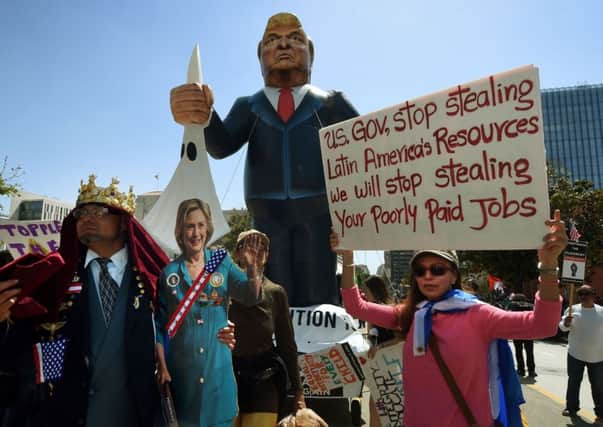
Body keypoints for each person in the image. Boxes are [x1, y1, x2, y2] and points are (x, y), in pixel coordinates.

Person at [0, 177, 235, 427]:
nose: (87, 218)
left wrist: (220, 331)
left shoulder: (157, 281)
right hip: (64, 415)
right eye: (81, 213)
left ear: (124, 222)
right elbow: (16, 349)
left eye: (99, 211)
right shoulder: (54, 282)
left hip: (139, 416)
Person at [169, 12, 359, 307]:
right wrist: (202, 117)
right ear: (260, 55)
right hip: (266, 215)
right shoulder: (249, 106)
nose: (283, 46)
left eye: (295, 39)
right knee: (271, 294)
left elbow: (367, 150)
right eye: (273, 41)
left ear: (311, 53)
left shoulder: (331, 103)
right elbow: (221, 146)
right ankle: (273, 348)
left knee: (318, 291)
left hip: (319, 215)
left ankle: (320, 349)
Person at [331, 210, 567, 427]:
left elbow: (543, 325)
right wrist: (348, 260)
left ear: (453, 274)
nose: (427, 276)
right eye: (420, 271)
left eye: (437, 269)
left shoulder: (479, 314)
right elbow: (355, 306)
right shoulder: (410, 315)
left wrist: (548, 266)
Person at [154, 199, 263, 427]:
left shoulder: (220, 262)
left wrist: (253, 268)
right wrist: (162, 367)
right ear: (180, 231)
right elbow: (160, 326)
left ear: (208, 228)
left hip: (218, 383)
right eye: (189, 226)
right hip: (183, 386)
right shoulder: (169, 273)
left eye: (201, 225)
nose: (196, 233)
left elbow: (250, 296)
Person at [229, 229, 305, 427]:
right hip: (226, 380)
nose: (257, 250)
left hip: (263, 381)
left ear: (268, 256)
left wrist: (298, 391)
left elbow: (287, 344)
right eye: (250, 244)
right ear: (237, 254)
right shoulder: (220, 288)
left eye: (262, 247)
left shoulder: (275, 293)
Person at [559, 284, 603, 423]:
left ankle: (600, 413)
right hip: (575, 354)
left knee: (598, 385)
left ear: (594, 295)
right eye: (580, 294)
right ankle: (571, 408)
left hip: (598, 356)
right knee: (573, 382)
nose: (583, 297)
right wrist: (566, 323)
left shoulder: (602, 312)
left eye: (586, 294)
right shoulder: (573, 309)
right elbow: (562, 327)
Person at [508, 293, 537, 378]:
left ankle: (521, 370)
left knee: (518, 351)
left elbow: (509, 316)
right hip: (528, 331)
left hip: (517, 331)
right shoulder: (531, 305)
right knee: (529, 352)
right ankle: (531, 371)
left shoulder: (512, 304)